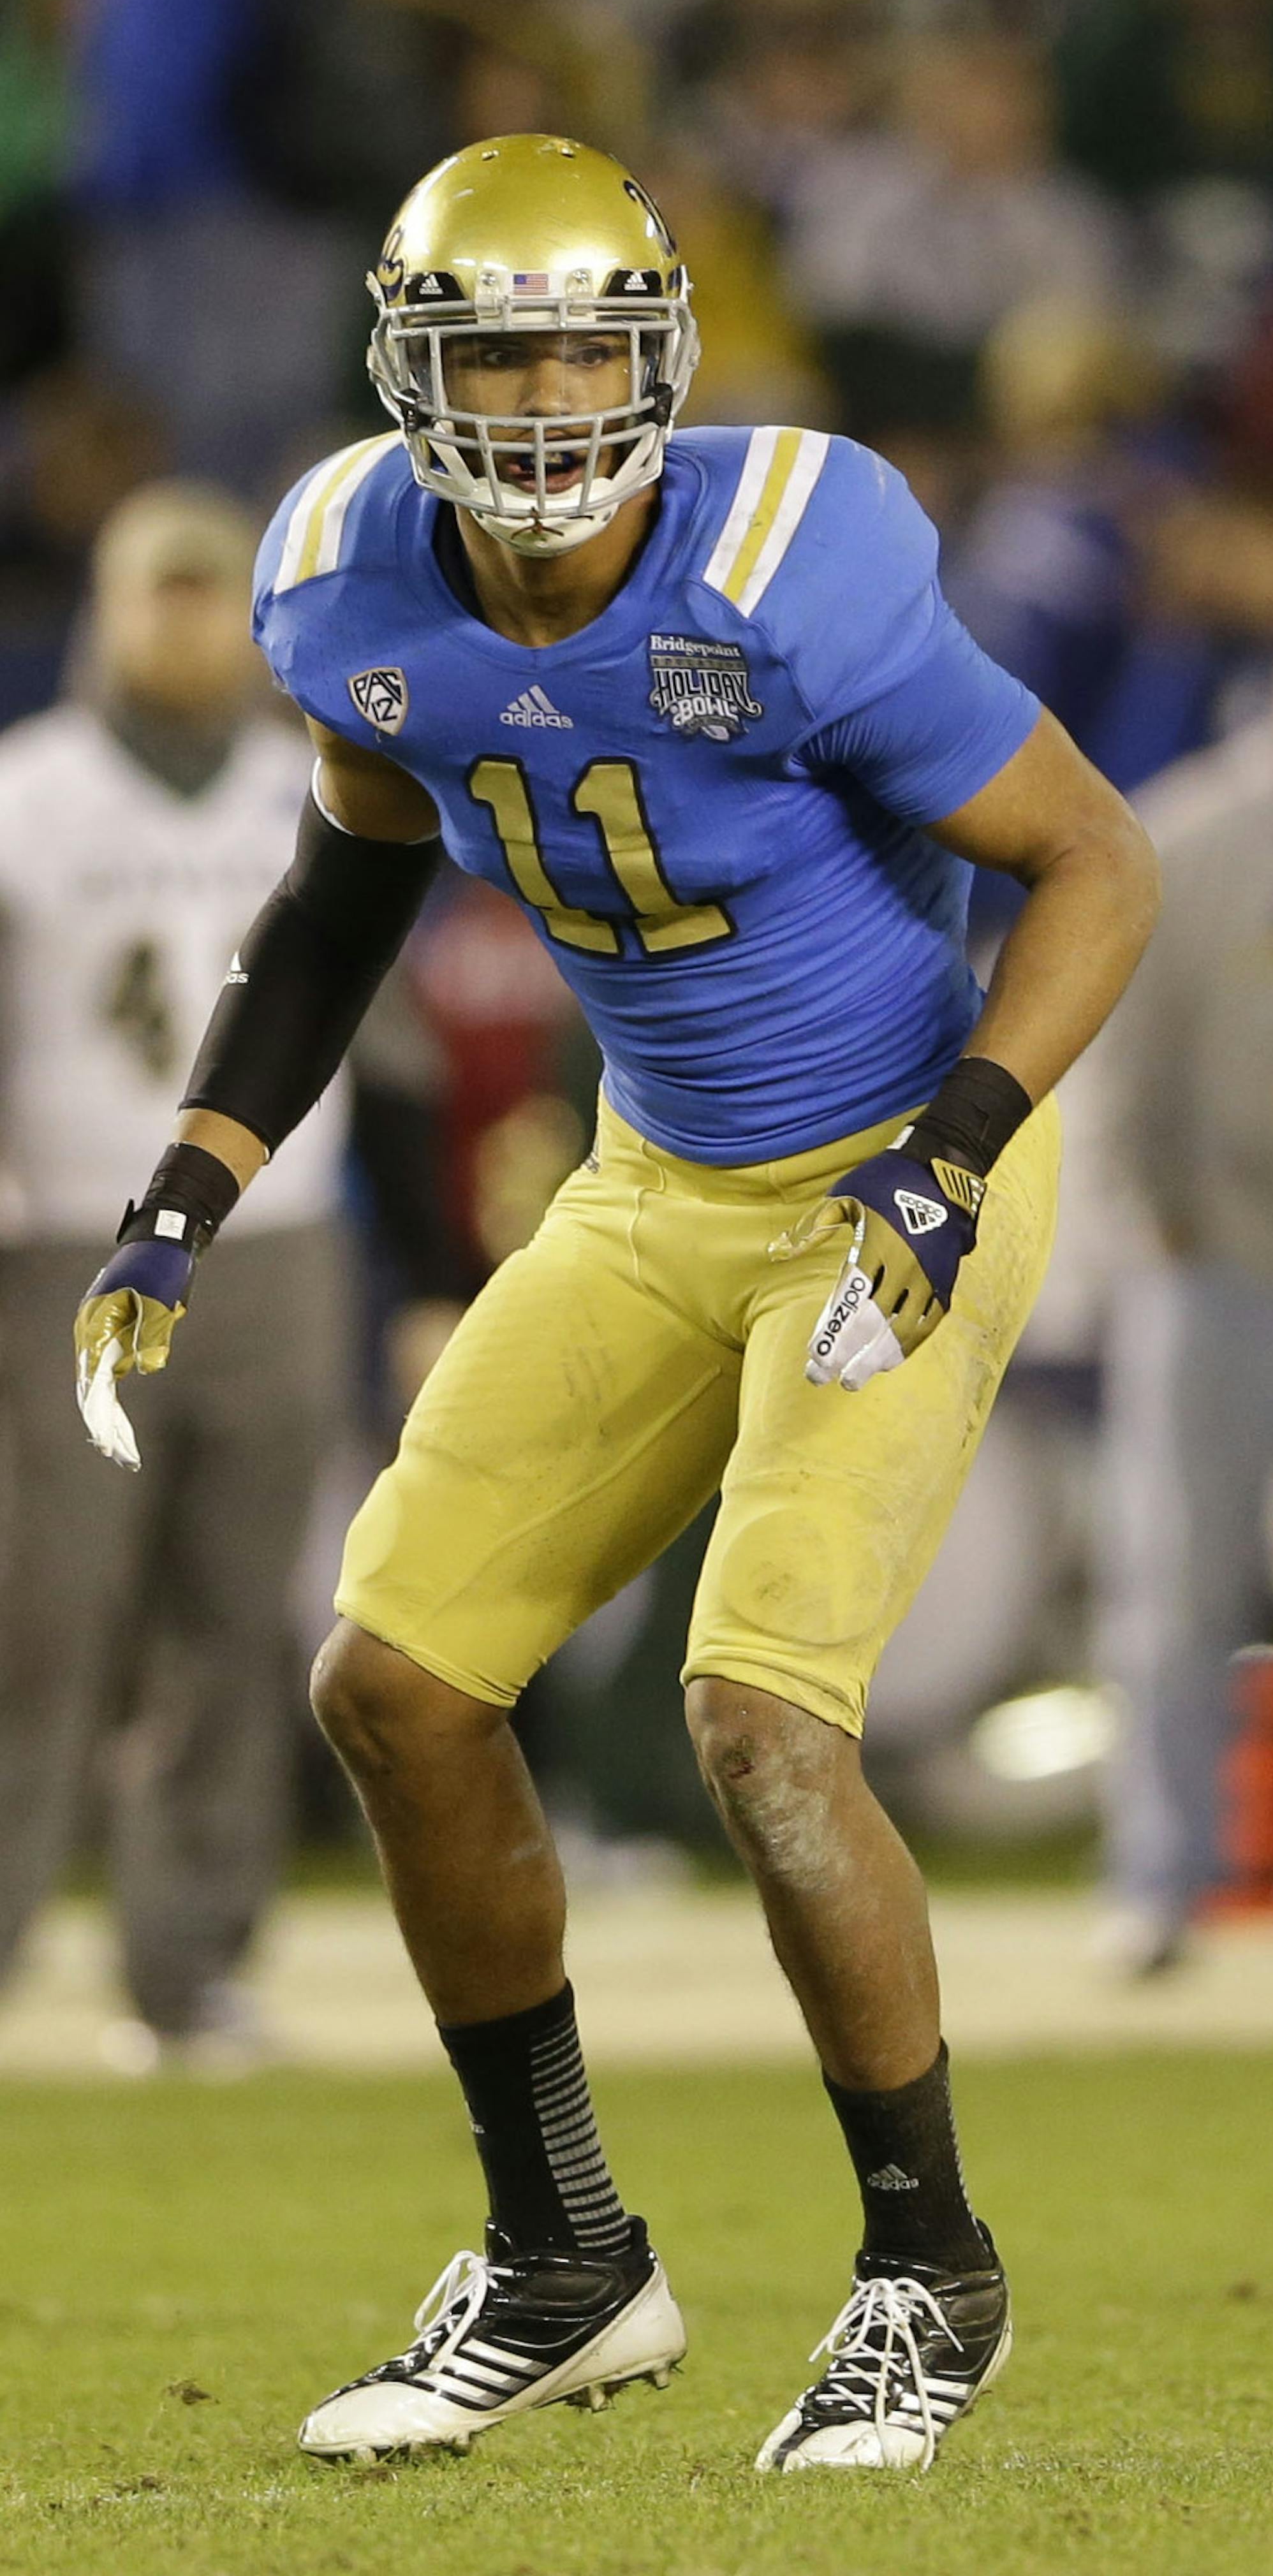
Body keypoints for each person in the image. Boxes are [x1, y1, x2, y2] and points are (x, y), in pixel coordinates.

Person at [72, 136, 1158, 2470]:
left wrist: (955, 1153)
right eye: (500, 350)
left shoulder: (793, 566)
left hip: (893, 1166)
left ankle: (922, 2276)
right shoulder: (348, 576)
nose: (553, 394)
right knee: (394, 1687)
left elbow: (1096, 855)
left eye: (588, 344)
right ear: (408, 368)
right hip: (653, 1181)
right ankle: (566, 2257)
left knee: (762, 1723)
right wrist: (199, 1168)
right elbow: (349, 881)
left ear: (659, 351)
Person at [0, 479, 350, 2065]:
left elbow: (381, 1045)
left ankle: (189, 1957)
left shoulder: (317, 786)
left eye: (215, 592)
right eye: (163, 590)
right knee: (44, 1611)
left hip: (281, 1251)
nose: (188, 620)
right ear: (111, 604)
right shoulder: (30, 795)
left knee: (236, 1620)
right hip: (70, 1238)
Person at [1093, 562, 1273, 1975]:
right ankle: (1160, 1880)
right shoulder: (1202, 832)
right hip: (1222, 1264)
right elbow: (1124, 1046)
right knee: (1179, 1583)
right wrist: (1154, 1214)